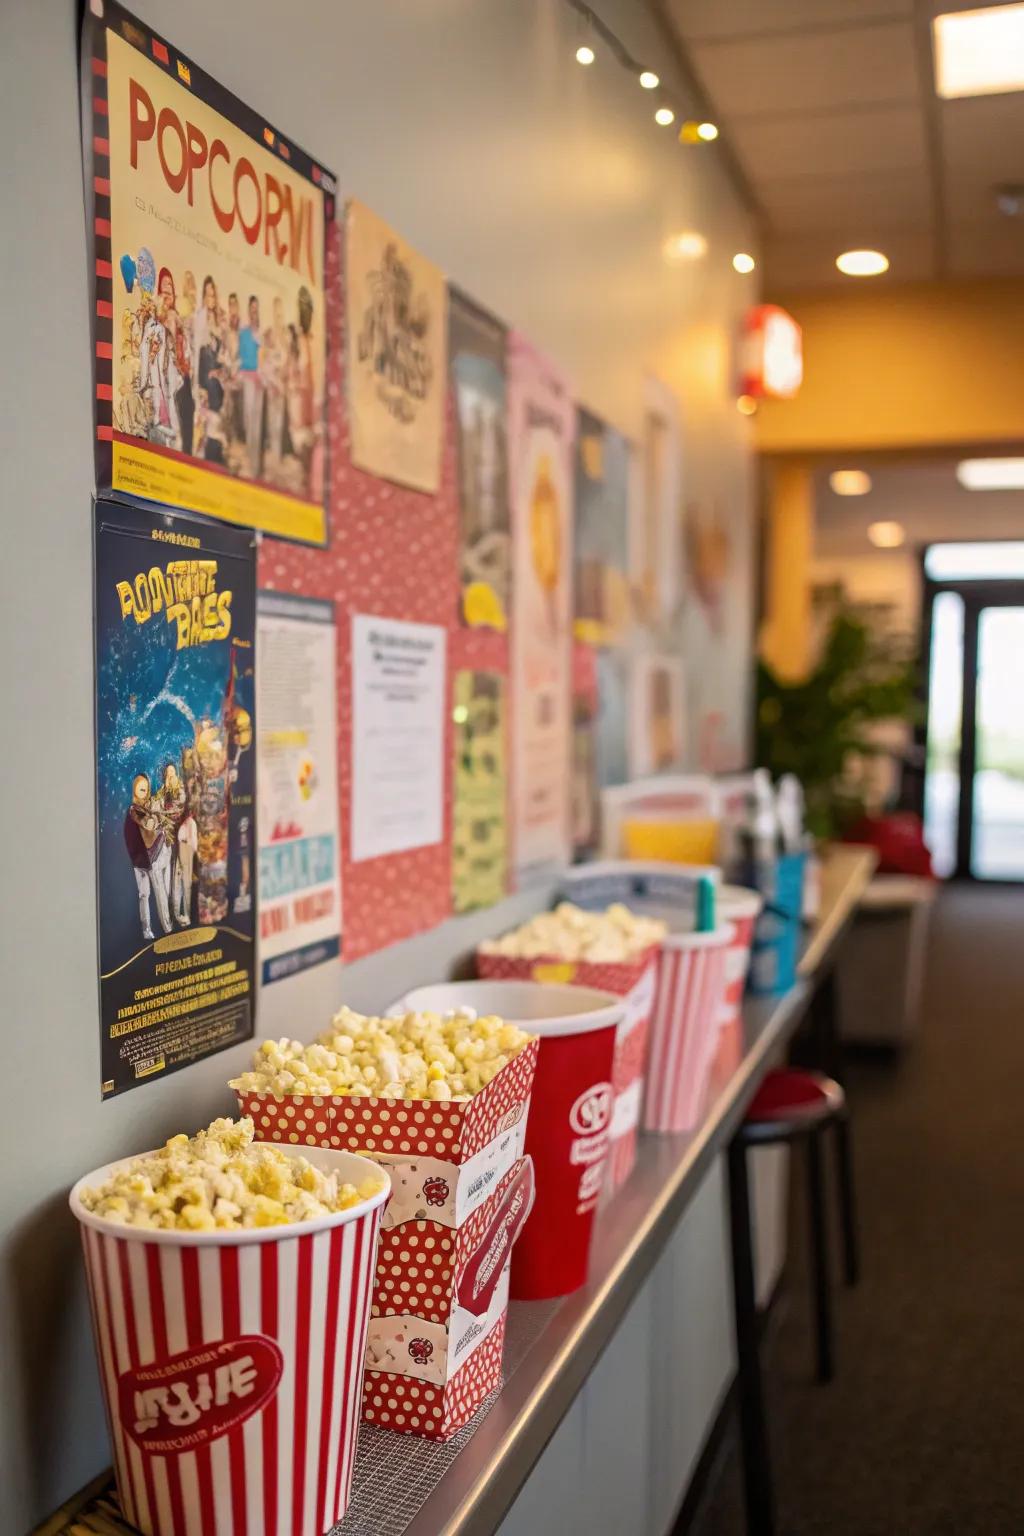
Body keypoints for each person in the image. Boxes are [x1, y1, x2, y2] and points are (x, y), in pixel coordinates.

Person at [123, 773, 172, 942]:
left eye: (146, 787)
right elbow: (149, 824)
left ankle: (166, 926)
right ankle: (147, 929)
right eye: (140, 786)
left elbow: (154, 823)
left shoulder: (148, 806)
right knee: (145, 894)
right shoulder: (135, 809)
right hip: (141, 860)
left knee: (158, 892)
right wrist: (158, 819)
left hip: (150, 858)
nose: (144, 789)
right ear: (135, 789)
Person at [155, 267, 193, 455]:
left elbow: (185, 349)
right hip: (165, 374)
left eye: (170, 284)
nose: (167, 289)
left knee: (183, 416)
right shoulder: (158, 319)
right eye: (164, 286)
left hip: (180, 374)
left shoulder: (177, 318)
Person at [238, 294, 264, 478]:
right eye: (252, 309)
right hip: (247, 380)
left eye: (256, 309)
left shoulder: (261, 334)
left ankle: (256, 463)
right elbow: (241, 357)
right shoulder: (244, 333)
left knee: (257, 421)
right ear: (249, 311)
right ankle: (248, 458)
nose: (254, 312)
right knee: (248, 418)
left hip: (260, 382)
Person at [262, 296, 287, 467]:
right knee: (272, 421)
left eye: (281, 313)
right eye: (276, 313)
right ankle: (274, 452)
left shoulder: (284, 337)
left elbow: (286, 360)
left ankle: (279, 453)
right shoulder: (270, 335)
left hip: (281, 385)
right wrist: (272, 381)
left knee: (280, 421)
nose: (279, 317)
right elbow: (265, 362)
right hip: (272, 386)